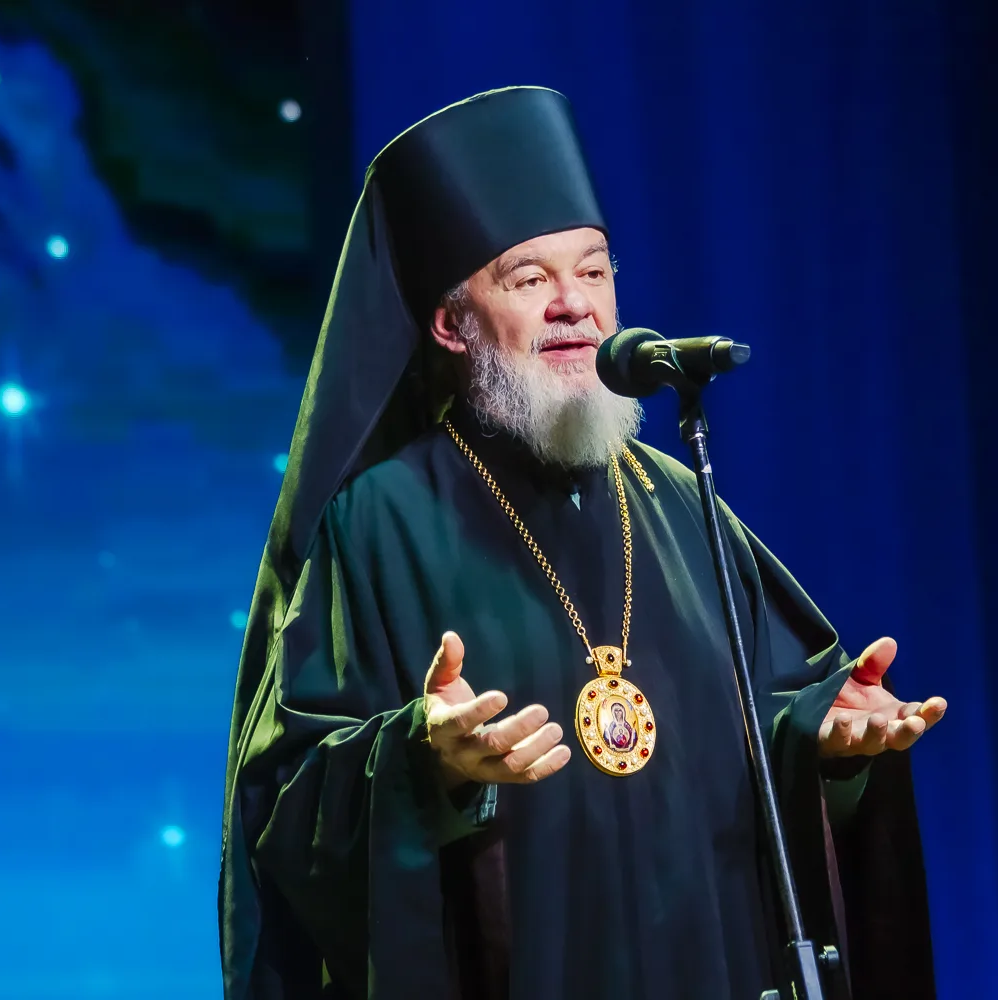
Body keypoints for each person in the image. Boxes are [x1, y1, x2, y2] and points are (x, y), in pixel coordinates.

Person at [219, 86, 944, 1000]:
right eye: (530, 280)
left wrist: (827, 742)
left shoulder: (683, 500)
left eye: (594, 273)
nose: (576, 307)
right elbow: (286, 803)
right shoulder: (376, 521)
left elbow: (772, 724)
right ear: (450, 323)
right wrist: (422, 760)